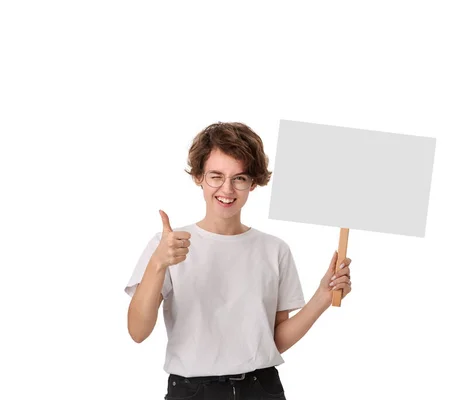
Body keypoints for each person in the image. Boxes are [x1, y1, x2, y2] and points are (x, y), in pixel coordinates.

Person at [125, 122, 353, 400]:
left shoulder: (274, 249)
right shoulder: (168, 246)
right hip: (193, 391)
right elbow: (137, 332)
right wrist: (158, 263)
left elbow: (273, 342)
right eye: (216, 176)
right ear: (199, 176)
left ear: (253, 182)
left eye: (239, 178)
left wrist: (322, 298)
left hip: (262, 388)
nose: (227, 189)